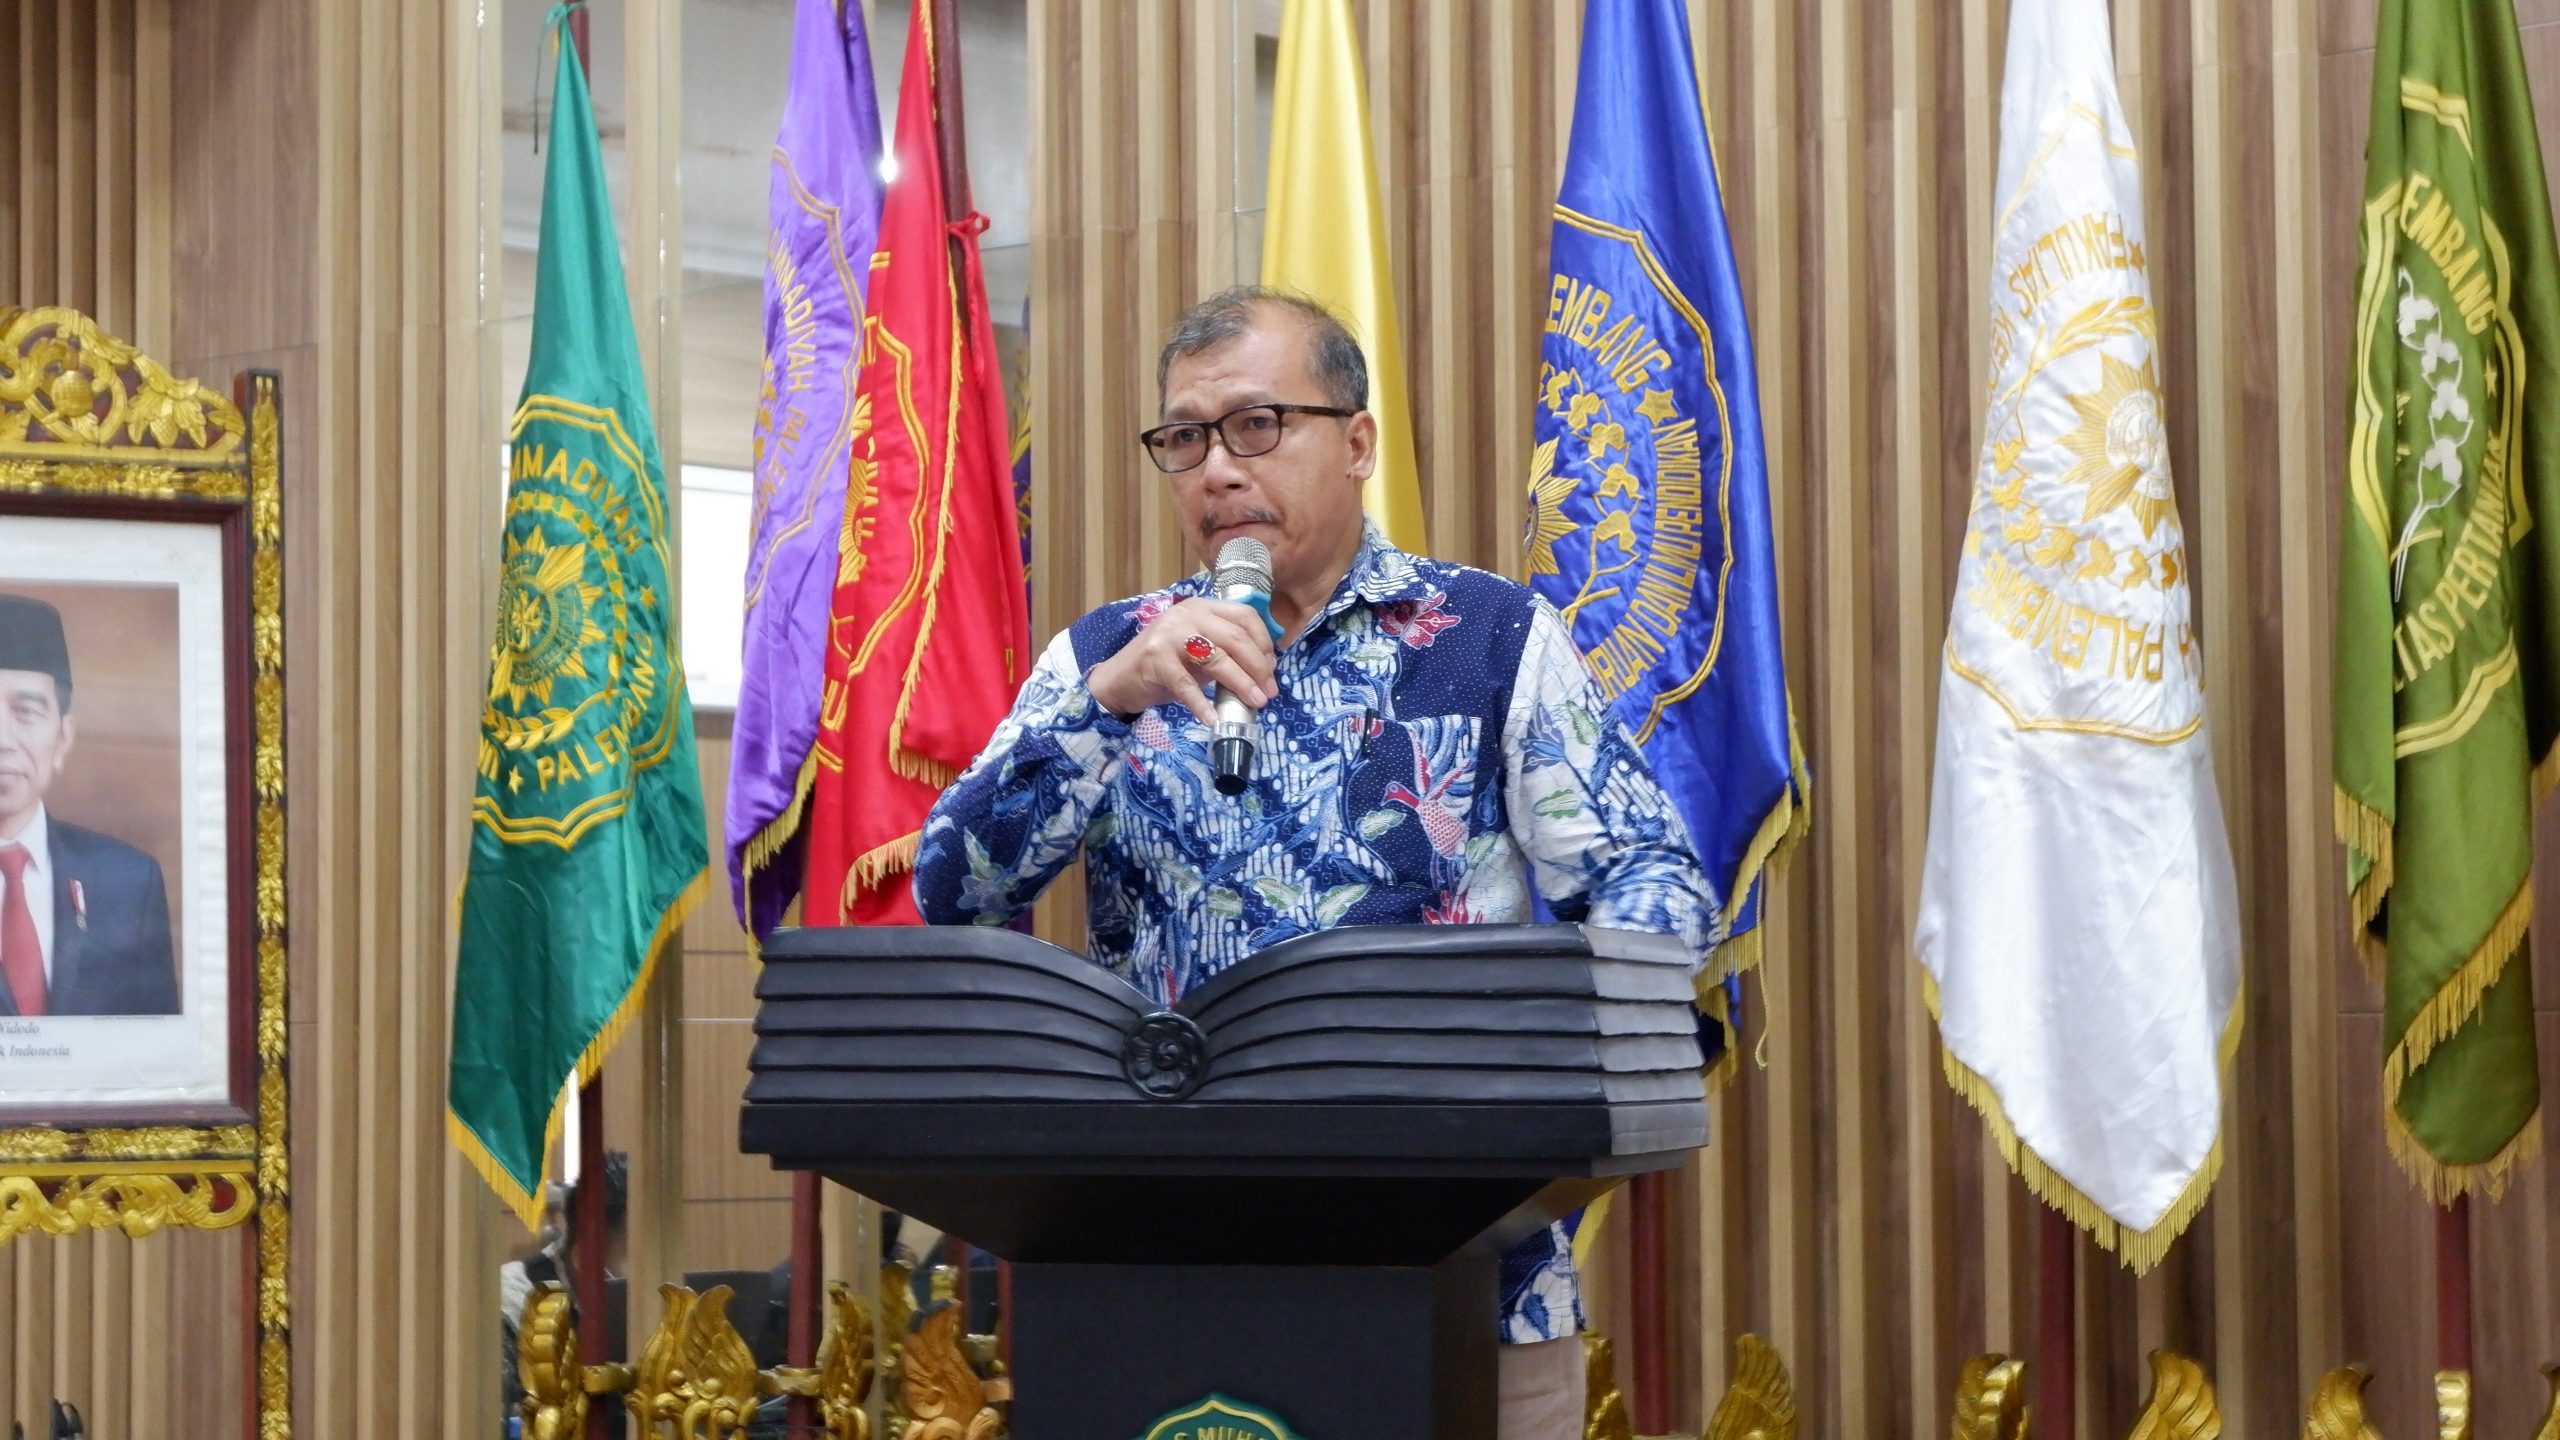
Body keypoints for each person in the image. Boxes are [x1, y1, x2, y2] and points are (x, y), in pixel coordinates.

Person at [912, 287, 1719, 1439]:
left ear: (1356, 442)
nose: (1217, 471)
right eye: (1184, 438)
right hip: (1152, 1271)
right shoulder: (1111, 653)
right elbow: (956, 890)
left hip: (1461, 1273)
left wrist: (1538, 1052)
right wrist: (1105, 704)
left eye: (1256, 425)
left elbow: (1650, 882)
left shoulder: (1487, 639)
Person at [0, 593, 178, 1018]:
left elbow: (160, 1045)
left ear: (63, 739)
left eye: (26, 712)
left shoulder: (129, 882)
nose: (3, 741)